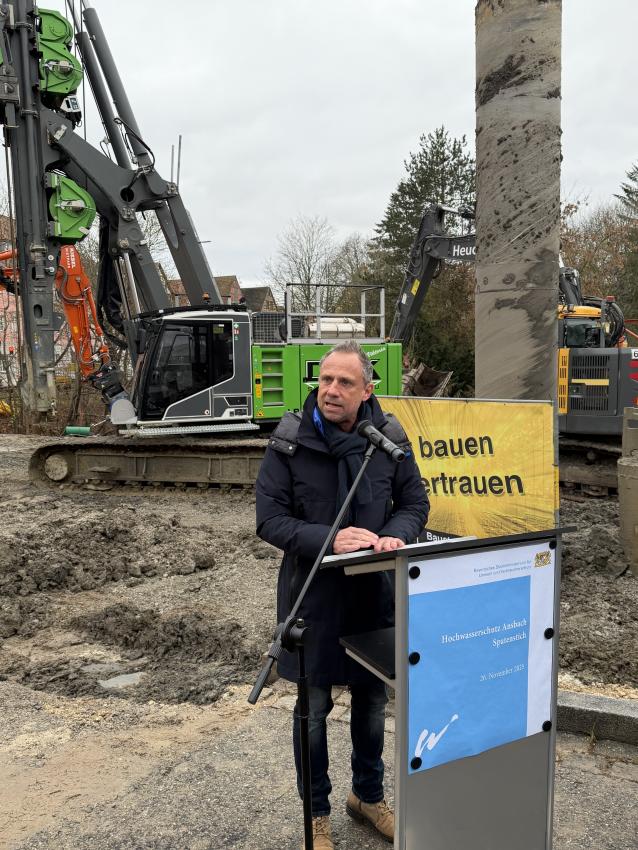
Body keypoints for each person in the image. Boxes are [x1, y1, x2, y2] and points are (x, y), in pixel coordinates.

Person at [256, 340, 429, 849]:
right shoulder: (290, 440)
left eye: (344, 382)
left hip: (373, 597)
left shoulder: (388, 440)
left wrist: (396, 534)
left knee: (372, 705)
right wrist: (329, 538)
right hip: (312, 599)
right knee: (312, 713)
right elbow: (269, 520)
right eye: (325, 379)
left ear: (367, 390)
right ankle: (317, 814)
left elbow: (415, 503)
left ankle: (367, 797)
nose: (331, 390)